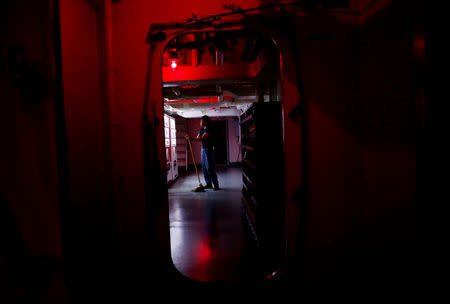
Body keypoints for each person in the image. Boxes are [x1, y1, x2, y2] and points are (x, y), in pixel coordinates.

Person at [186, 115, 219, 190]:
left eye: (201, 121)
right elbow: (198, 138)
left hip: (209, 149)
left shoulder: (209, 128)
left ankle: (215, 184)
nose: (200, 122)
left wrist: (192, 138)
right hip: (203, 149)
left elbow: (203, 138)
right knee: (204, 168)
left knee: (209, 168)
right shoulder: (201, 129)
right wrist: (190, 138)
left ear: (205, 121)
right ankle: (209, 184)